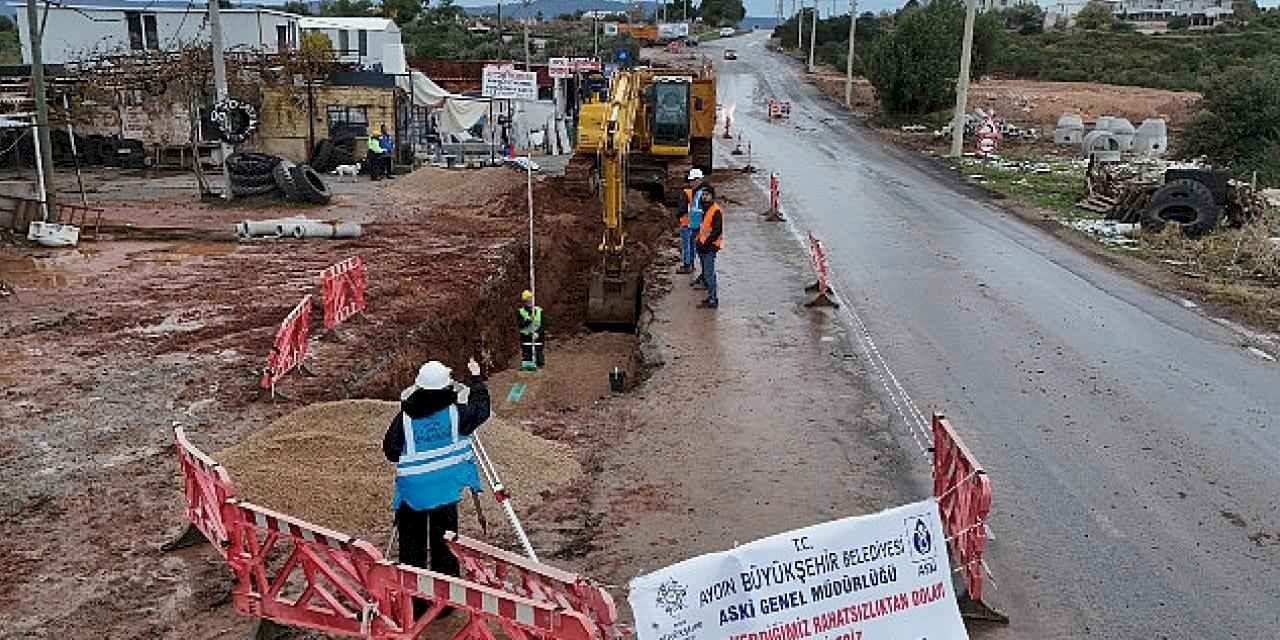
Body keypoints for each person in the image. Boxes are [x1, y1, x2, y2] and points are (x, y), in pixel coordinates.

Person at [382, 358, 490, 579]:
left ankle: (416, 602)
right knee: (445, 543)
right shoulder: (456, 413)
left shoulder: (404, 418)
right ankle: (447, 598)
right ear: (446, 386)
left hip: (413, 493)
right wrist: (476, 379)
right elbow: (481, 410)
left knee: (412, 547)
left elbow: (391, 451)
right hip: (446, 488)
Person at [695, 186, 724, 309]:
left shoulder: (715, 210)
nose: (704, 197)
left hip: (710, 246)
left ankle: (712, 299)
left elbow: (717, 230)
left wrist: (705, 243)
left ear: (712, 196)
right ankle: (711, 297)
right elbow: (703, 227)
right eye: (703, 195)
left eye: (707, 195)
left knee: (709, 273)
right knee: (708, 272)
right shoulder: (705, 208)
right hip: (703, 245)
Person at [678, 169, 706, 275]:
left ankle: (686, 265)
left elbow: (682, 209)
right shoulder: (702, 193)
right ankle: (692, 264)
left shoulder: (686, 193)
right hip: (696, 224)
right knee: (692, 245)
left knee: (686, 245)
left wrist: (679, 216)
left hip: (686, 223)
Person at [517, 290, 544, 370]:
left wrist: (538, 333)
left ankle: (539, 366)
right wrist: (528, 320)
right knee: (527, 357)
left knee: (539, 356)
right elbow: (520, 325)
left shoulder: (539, 311)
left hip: (538, 337)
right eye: (526, 301)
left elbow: (543, 325)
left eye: (530, 300)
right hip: (526, 338)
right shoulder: (520, 312)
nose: (529, 302)